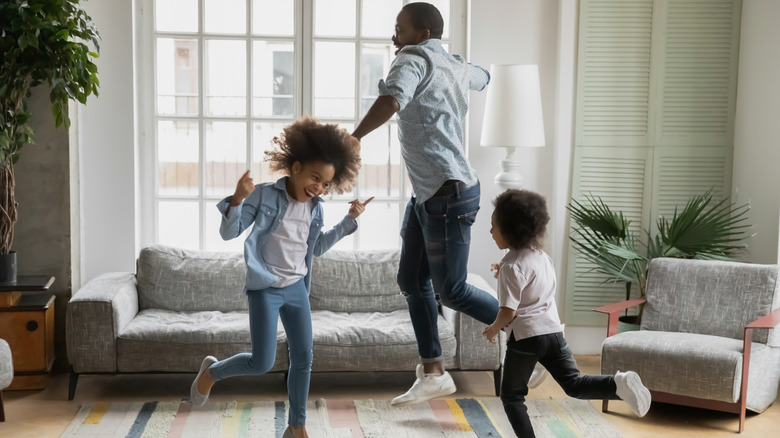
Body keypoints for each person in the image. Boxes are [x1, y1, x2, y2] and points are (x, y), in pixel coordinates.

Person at [351, 2, 498, 406]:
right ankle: (433, 371)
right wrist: (478, 71)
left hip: (447, 194)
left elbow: (393, 98)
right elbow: (483, 77)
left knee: (449, 290)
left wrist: (355, 137)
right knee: (411, 281)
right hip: (432, 193)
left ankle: (529, 334)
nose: (394, 37)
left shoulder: (412, 58)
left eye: (400, 29)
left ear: (422, 34)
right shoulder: (451, 63)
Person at [190, 117, 371, 438]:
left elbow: (316, 249)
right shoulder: (262, 196)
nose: (319, 187)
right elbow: (228, 233)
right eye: (315, 178)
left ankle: (296, 426)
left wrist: (348, 221)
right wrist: (237, 198)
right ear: (297, 167)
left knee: (304, 359)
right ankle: (212, 372)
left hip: (297, 289)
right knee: (261, 362)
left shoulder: (316, 208)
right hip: (266, 289)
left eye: (326, 183)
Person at [482, 189, 651, 437]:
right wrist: (504, 266)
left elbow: (508, 311)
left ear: (511, 231)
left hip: (526, 338)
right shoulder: (541, 257)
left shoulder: (511, 266)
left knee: (512, 396)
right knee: (574, 384)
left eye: (493, 226)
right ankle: (617, 383)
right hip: (552, 333)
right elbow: (530, 280)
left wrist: (494, 328)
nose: (490, 231)